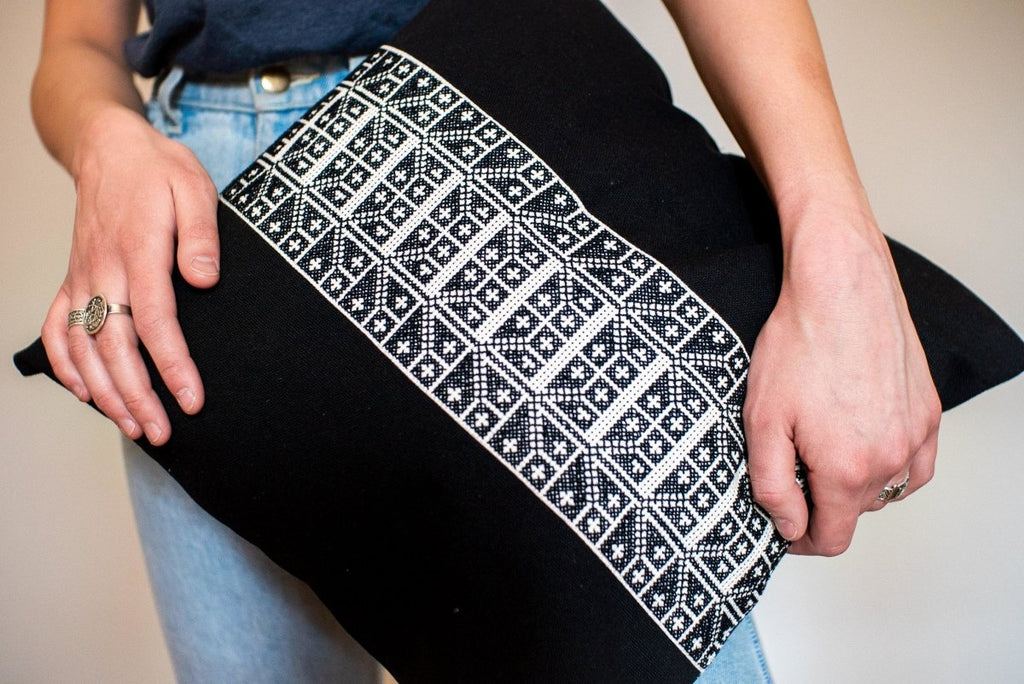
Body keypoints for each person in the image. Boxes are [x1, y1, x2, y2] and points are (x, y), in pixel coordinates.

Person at [30, 0, 941, 680]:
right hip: (201, 219)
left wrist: (839, 252)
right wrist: (105, 140)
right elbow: (75, 46)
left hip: (481, 165)